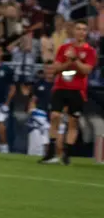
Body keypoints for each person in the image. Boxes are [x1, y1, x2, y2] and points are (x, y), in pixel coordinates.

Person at [40, 21, 97, 165]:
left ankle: (67, 154)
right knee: (55, 116)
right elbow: (56, 69)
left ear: (86, 33)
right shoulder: (64, 48)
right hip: (61, 87)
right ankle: (51, 152)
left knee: (73, 122)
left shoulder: (90, 51)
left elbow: (87, 71)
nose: (81, 32)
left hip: (78, 90)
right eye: (78, 29)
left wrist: (74, 59)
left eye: (84, 30)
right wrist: (69, 62)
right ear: (73, 31)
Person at [25, 62, 54, 157]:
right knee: (38, 141)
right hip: (40, 115)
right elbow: (33, 99)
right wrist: (31, 113)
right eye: (47, 69)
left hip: (54, 115)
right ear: (44, 70)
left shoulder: (59, 84)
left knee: (52, 142)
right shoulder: (38, 84)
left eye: (51, 69)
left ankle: (50, 157)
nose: (49, 71)